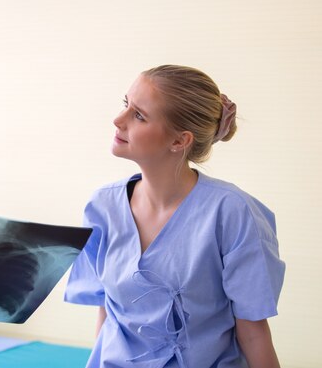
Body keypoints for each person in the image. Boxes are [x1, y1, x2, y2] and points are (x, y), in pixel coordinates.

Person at [65, 65, 285, 368]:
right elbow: (108, 314)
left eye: (139, 115)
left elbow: (254, 334)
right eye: (125, 104)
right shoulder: (102, 207)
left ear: (180, 141)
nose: (118, 120)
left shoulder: (232, 213)